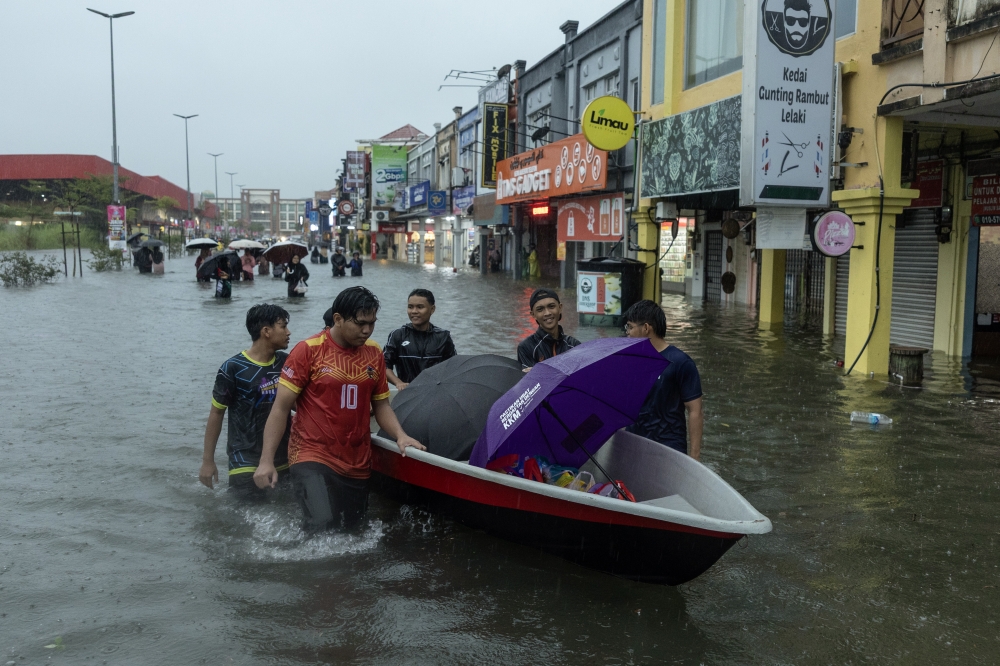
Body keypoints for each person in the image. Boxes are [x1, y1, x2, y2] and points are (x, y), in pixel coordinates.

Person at [254, 287, 424, 532]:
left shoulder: (374, 353)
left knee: (352, 532)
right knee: (322, 525)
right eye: (360, 323)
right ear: (338, 319)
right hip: (312, 454)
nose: (367, 330)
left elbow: (382, 405)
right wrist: (266, 461)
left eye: (372, 324)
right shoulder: (308, 350)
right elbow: (280, 409)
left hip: (357, 461)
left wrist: (401, 436)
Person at [200, 304, 293, 499]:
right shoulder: (233, 368)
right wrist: (208, 461)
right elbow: (216, 413)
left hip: (283, 458)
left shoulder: (288, 363)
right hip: (244, 461)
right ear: (266, 331)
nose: (288, 332)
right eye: (283, 326)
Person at [623, 300, 703, 460]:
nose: (627, 333)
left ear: (646, 328)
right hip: (634, 443)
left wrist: (695, 459)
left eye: (630, 327)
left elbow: (695, 411)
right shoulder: (631, 360)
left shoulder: (680, 362)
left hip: (668, 447)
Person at [383, 288, 457, 390]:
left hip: (434, 393)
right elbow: (384, 366)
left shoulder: (443, 336)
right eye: (410, 307)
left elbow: (454, 368)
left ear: (432, 309)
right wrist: (398, 383)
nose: (414, 311)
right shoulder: (397, 335)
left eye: (420, 307)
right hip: (407, 392)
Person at [517, 288, 581, 369]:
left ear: (560, 308)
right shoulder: (526, 348)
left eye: (551, 306)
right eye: (540, 309)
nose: (547, 313)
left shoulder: (574, 345)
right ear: (533, 314)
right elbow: (528, 380)